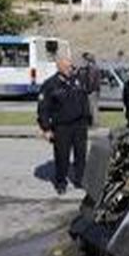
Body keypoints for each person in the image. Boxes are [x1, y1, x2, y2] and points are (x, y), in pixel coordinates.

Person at [37, 56, 91, 195]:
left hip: (79, 125)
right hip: (62, 127)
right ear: (59, 67)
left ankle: (80, 180)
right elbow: (43, 108)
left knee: (81, 155)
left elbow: (84, 100)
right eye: (67, 67)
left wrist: (87, 118)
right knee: (62, 156)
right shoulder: (50, 84)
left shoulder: (77, 81)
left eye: (71, 67)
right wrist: (46, 128)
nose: (70, 69)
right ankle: (61, 182)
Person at [77, 52, 100, 127]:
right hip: (93, 90)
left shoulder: (92, 68)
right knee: (92, 107)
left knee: (92, 107)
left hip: (92, 90)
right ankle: (92, 122)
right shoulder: (92, 67)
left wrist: (88, 90)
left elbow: (91, 80)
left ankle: (94, 123)